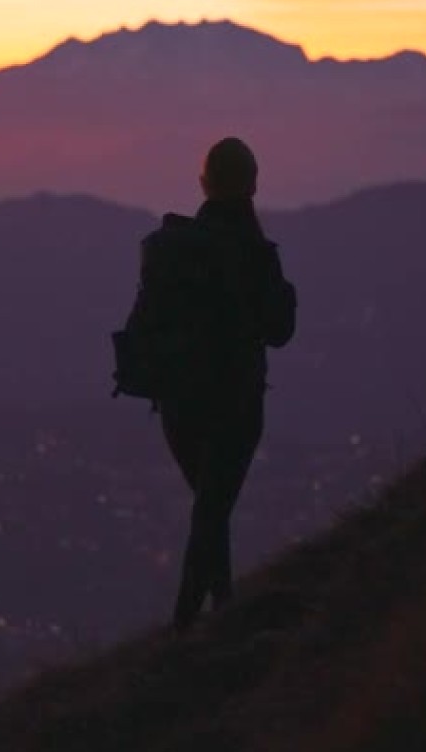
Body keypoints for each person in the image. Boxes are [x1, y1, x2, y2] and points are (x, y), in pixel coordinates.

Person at [122, 137, 296, 632]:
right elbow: (280, 331)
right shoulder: (256, 253)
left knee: (209, 507)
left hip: (178, 403)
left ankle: (221, 610)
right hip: (237, 401)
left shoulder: (171, 248)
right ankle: (186, 627)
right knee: (213, 510)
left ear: (204, 184)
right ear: (254, 185)